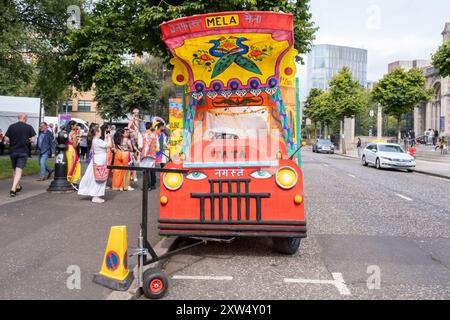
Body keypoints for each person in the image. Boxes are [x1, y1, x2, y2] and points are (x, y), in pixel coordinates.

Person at [78, 125, 113, 203]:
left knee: (96, 178)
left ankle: (95, 194)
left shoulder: (95, 140)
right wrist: (109, 137)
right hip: (100, 160)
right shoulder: (97, 141)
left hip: (98, 159)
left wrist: (106, 137)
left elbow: (104, 144)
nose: (101, 132)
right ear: (97, 132)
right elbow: (109, 145)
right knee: (100, 178)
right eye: (100, 131)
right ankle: (96, 196)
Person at [4, 113, 36, 197]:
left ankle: (18, 186)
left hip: (13, 151)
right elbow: (33, 140)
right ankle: (13, 188)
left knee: (14, 169)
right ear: (25, 118)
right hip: (23, 151)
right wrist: (27, 140)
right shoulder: (29, 127)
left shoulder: (11, 126)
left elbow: (7, 139)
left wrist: (13, 141)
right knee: (19, 170)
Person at [139, 122, 158, 190]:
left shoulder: (142, 135)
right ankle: (152, 185)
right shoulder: (155, 135)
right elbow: (157, 146)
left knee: (145, 170)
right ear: (151, 127)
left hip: (144, 154)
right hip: (152, 154)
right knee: (151, 170)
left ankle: (146, 186)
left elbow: (140, 146)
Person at [66, 120, 81, 185]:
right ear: (72, 126)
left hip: (67, 149)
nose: (77, 126)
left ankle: (69, 179)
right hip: (72, 150)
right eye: (76, 125)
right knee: (75, 165)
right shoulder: (73, 134)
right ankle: (72, 180)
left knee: (69, 164)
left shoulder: (67, 132)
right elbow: (75, 145)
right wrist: (78, 140)